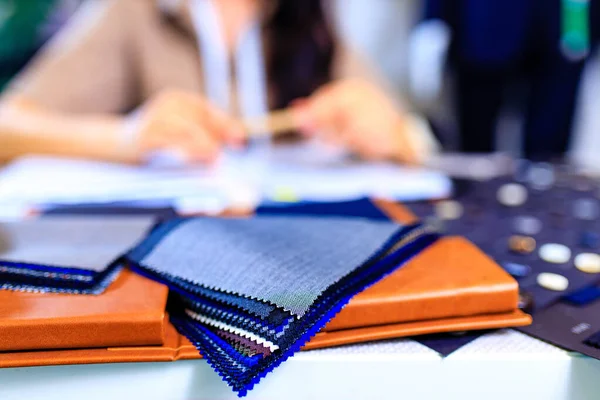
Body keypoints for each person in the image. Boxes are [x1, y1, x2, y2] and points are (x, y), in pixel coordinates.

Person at [0, 0, 418, 165]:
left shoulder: (308, 17)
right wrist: (127, 137)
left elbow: (414, 141)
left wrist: (392, 133)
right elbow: (8, 125)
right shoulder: (138, 12)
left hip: (290, 262)